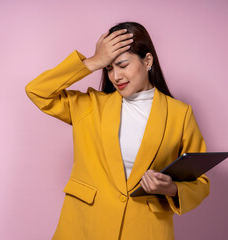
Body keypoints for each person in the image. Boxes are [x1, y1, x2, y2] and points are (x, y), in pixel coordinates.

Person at [25, 22, 209, 240]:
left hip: (145, 231)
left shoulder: (180, 114)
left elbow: (200, 183)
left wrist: (170, 188)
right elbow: (37, 91)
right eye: (109, 68)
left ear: (147, 61)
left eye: (122, 65)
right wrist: (93, 62)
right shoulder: (90, 105)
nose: (116, 77)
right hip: (85, 227)